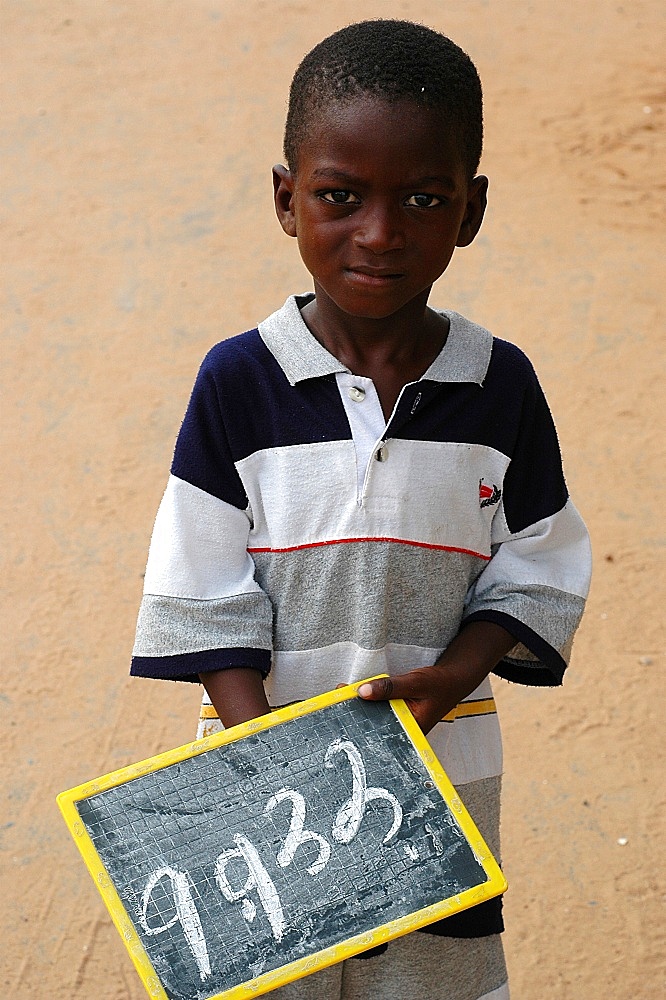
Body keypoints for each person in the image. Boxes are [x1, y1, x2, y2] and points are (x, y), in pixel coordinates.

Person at [130, 19, 591, 1000]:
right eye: (340, 197)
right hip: (259, 776)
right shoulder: (238, 382)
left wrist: (452, 673)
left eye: (423, 198)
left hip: (441, 771)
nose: (380, 234)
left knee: (431, 976)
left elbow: (541, 560)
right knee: (271, 972)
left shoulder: (499, 387)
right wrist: (275, 759)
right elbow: (203, 587)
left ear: (470, 210)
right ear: (286, 198)